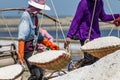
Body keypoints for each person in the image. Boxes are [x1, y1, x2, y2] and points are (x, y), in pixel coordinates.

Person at [64, 0, 120, 67]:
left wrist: (118, 16)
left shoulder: (99, 2)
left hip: (95, 35)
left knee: (97, 59)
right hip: (85, 35)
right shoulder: (84, 3)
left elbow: (103, 17)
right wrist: (69, 36)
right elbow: (76, 20)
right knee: (89, 60)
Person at [18, 0, 59, 80]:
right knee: (35, 74)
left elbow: (37, 35)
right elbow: (22, 37)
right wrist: (20, 55)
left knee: (40, 74)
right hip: (27, 49)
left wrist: (50, 45)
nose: (40, 11)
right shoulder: (26, 17)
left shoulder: (34, 17)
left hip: (33, 47)